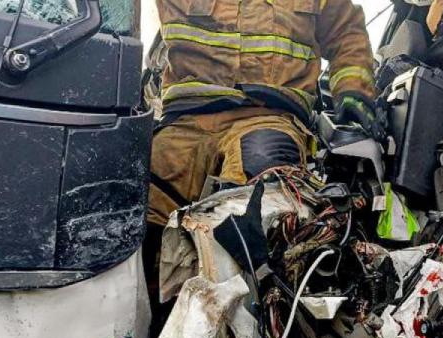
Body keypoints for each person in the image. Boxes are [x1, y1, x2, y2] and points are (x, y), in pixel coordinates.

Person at [146, 0, 380, 228]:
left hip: (269, 117)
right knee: (135, 204)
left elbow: (346, 31)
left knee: (261, 196)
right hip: (185, 123)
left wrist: (353, 88)